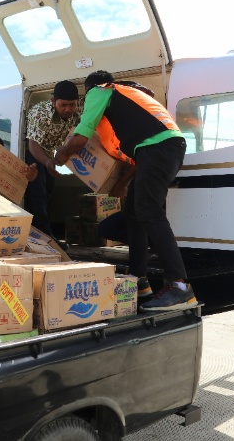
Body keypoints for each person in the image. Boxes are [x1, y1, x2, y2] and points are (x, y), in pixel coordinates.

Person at [55, 70, 195, 311]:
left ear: (89, 89)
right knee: (134, 212)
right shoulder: (129, 100)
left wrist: (62, 154)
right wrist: (120, 186)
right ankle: (139, 280)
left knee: (149, 211)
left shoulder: (100, 91)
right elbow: (134, 157)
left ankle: (179, 286)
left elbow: (80, 137)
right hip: (158, 150)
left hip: (158, 149)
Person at [23, 80, 81, 244]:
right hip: (35, 154)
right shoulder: (40, 112)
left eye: (72, 105)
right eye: (63, 105)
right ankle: (45, 239)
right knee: (38, 196)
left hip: (50, 154)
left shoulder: (77, 111)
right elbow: (32, 144)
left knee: (49, 193)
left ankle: (43, 234)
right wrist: (47, 163)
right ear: (53, 101)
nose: (68, 109)